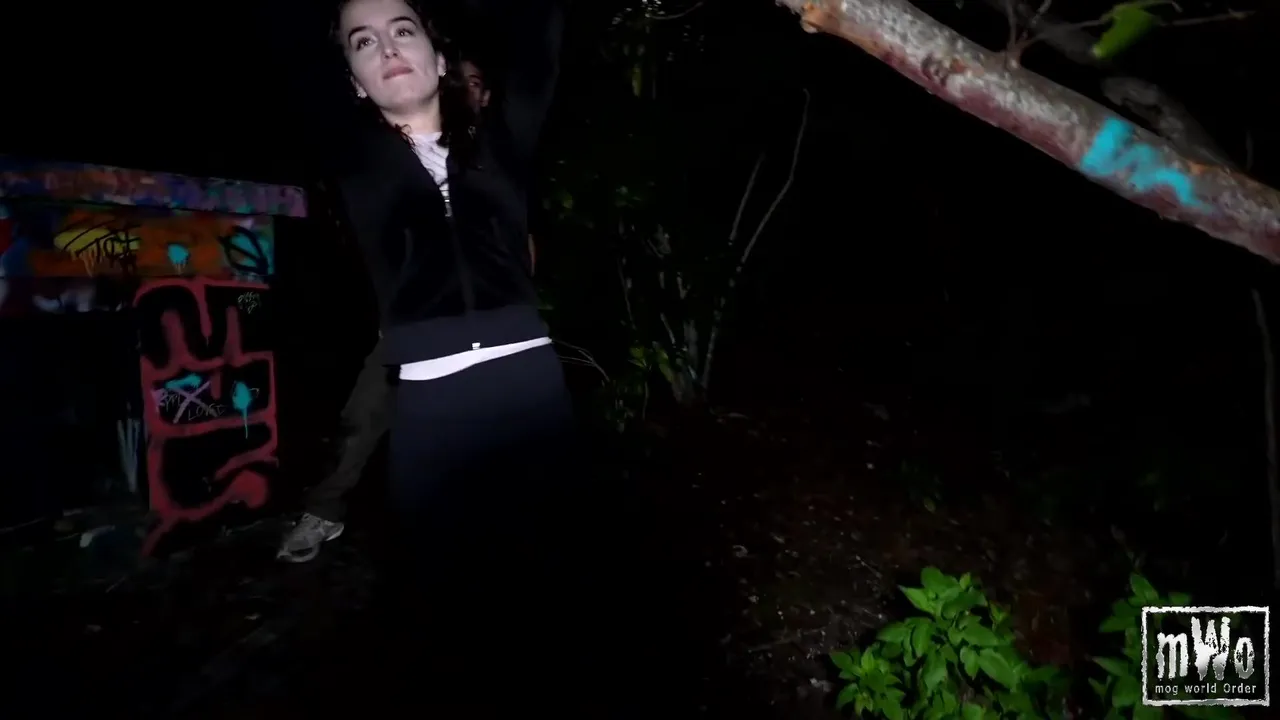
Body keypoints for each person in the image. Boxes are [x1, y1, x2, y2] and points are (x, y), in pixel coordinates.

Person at [323, 0, 589, 708]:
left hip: (532, 401)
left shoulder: (500, 144)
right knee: (455, 627)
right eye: (363, 42)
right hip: (431, 418)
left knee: (558, 610)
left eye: (403, 30)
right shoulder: (360, 164)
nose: (387, 48)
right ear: (352, 81)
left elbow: (540, 38)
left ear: (440, 60)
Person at [276, 49, 511, 564]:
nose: (466, 90)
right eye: (460, 82)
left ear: (488, 95)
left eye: (476, 83)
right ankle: (324, 511)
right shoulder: (411, 144)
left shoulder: (499, 158)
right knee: (363, 414)